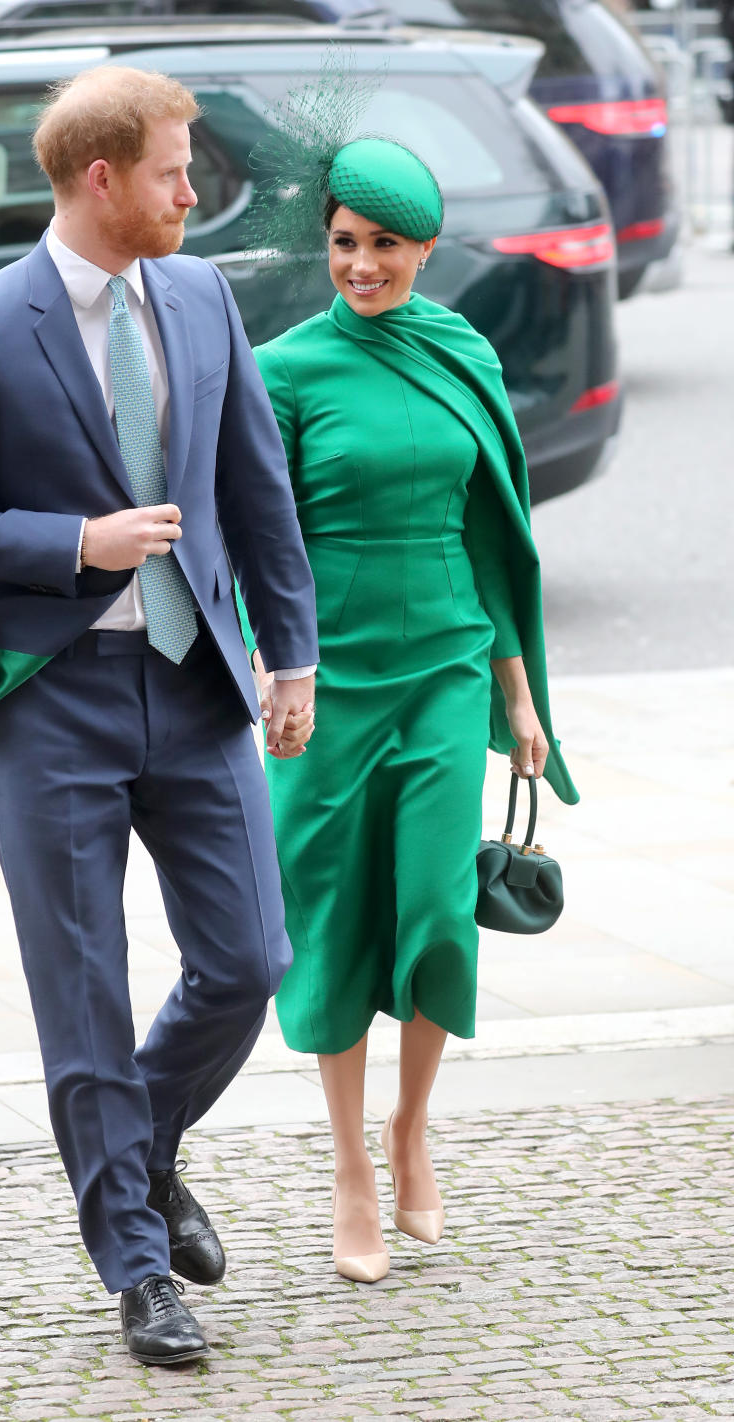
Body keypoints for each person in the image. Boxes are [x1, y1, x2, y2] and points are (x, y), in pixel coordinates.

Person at [0, 66, 318, 1364]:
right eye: (178, 169)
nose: (197, 191)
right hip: (49, 700)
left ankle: (141, 1142)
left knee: (249, 960)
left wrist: (288, 651)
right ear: (102, 178)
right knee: (81, 990)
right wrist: (78, 540)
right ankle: (137, 1268)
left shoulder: (200, 294)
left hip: (196, 689)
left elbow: (256, 486)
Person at [246, 136, 578, 1283]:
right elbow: (262, 540)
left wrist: (519, 692)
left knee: (437, 911)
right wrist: (271, 666)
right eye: (345, 243)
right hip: (330, 684)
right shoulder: (285, 370)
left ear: (426, 248)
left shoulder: (459, 349)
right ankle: (348, 1167)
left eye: (386, 244)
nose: (363, 265)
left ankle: (411, 1130)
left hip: (446, 665)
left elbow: (496, 532)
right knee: (334, 917)